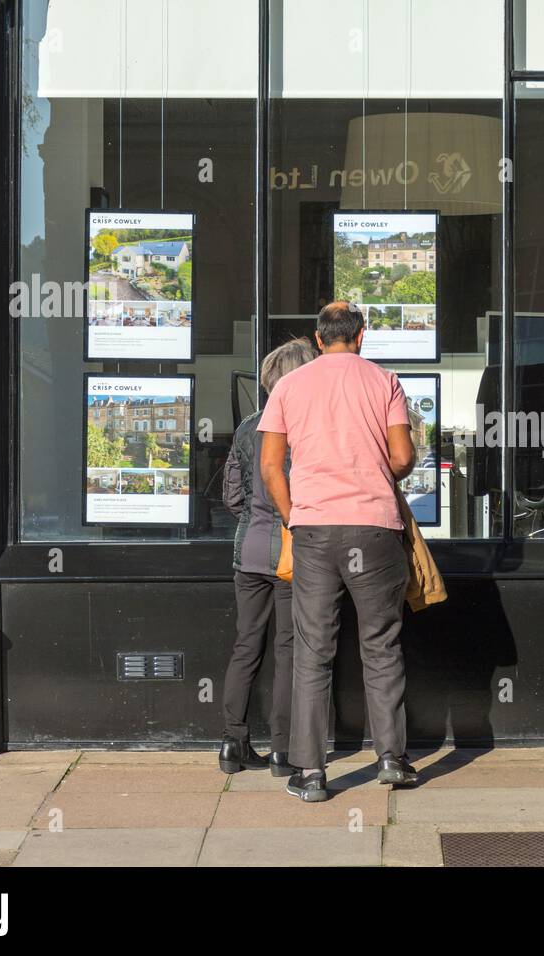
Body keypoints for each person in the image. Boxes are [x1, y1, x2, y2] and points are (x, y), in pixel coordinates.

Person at [258, 301, 418, 802]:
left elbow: (269, 467)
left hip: (314, 530)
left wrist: (294, 515)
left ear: (318, 336)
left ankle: (310, 774)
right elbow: (403, 457)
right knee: (381, 643)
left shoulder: (288, 385)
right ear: (361, 336)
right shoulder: (385, 382)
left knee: (312, 650)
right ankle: (391, 757)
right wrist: (371, 475)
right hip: (373, 528)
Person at [218, 337, 318, 776]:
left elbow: (231, 494)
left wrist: (253, 520)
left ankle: (232, 743)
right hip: (291, 553)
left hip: (248, 550)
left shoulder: (246, 427)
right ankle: (282, 751)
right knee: (288, 649)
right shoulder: (304, 426)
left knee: (246, 645)